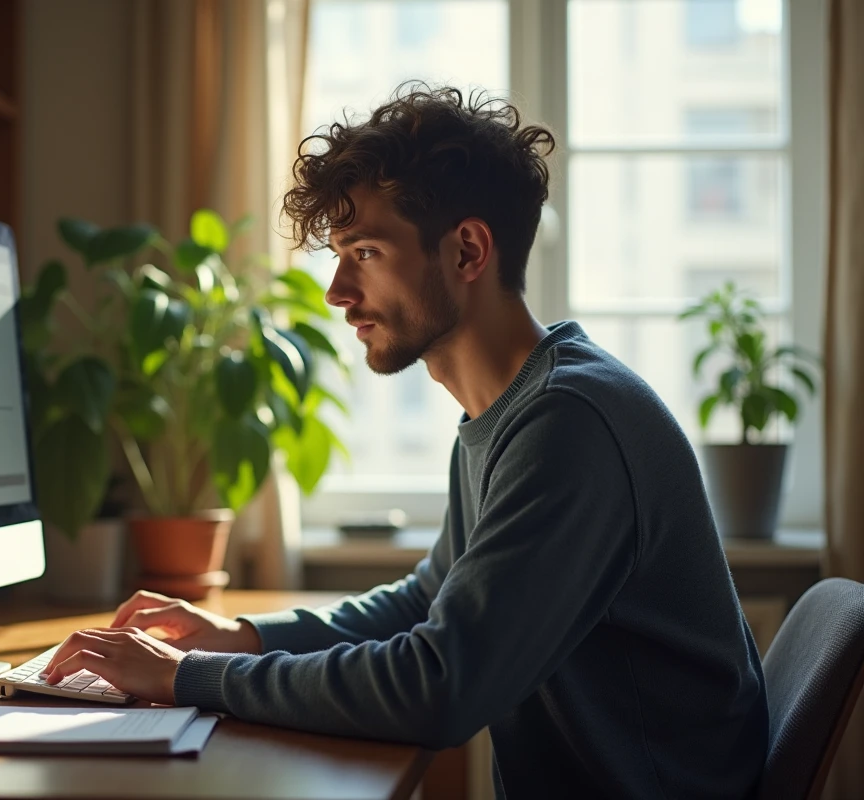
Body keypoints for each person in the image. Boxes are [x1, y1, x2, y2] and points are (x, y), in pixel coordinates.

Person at [40, 85, 769, 798]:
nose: (335, 291)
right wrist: (241, 637)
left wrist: (180, 677)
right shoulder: (506, 412)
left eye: (364, 252)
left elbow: (439, 686)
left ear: (468, 250)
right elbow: (431, 600)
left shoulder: (570, 423)